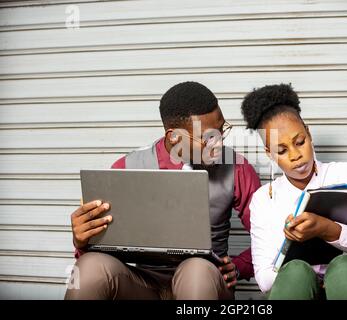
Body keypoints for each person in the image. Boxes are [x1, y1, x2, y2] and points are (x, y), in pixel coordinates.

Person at [65, 81, 261, 300]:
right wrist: (82, 242)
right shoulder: (127, 168)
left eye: (221, 130)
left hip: (205, 279)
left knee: (196, 272)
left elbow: (269, 237)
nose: (218, 143)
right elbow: (100, 247)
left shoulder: (237, 168)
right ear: (174, 137)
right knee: (89, 267)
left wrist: (239, 266)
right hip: (143, 284)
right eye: (207, 138)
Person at [240, 83, 347, 300]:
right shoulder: (263, 199)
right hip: (296, 291)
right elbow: (264, 281)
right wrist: (289, 245)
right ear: (269, 153)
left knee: (344, 269)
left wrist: (328, 230)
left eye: (300, 142)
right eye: (282, 150)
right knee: (296, 273)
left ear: (309, 133)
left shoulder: (346, 174)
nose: (295, 155)